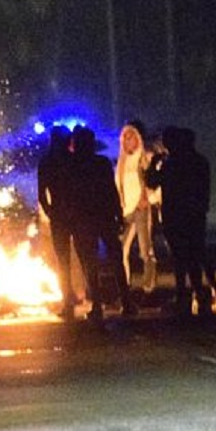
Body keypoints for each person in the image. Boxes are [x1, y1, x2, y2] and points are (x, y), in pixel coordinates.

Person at [146, 127, 216, 316]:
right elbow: (203, 190)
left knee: (180, 257)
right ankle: (198, 292)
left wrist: (153, 164)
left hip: (175, 215)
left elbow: (151, 183)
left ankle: (183, 295)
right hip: (194, 215)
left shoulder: (171, 164)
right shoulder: (200, 162)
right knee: (194, 255)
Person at [65, 126, 129, 323]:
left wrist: (69, 219)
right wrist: (118, 214)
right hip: (104, 215)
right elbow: (111, 190)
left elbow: (69, 195)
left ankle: (98, 306)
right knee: (115, 258)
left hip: (84, 219)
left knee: (89, 262)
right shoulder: (101, 163)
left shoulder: (71, 165)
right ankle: (126, 301)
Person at [37, 125, 78, 319]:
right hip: (75, 213)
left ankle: (68, 301)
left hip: (59, 214)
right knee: (82, 256)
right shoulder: (74, 160)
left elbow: (41, 194)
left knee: (63, 260)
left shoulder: (46, 162)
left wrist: (50, 212)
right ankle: (83, 297)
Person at [115, 120, 158, 295]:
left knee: (144, 248)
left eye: (131, 137)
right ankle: (124, 285)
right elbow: (118, 185)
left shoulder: (144, 158)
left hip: (141, 207)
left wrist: (147, 198)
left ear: (137, 139)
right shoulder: (121, 162)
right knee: (120, 249)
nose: (127, 141)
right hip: (126, 210)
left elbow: (152, 181)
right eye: (125, 138)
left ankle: (148, 285)